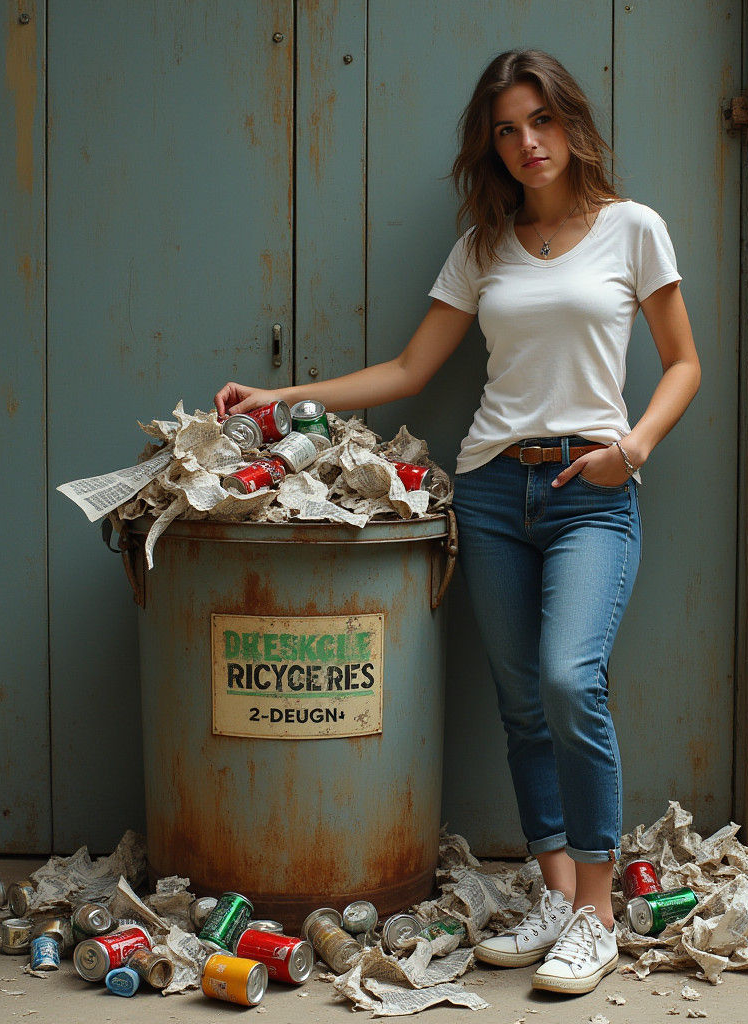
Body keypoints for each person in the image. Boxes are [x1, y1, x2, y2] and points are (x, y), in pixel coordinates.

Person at [215, 49, 699, 996]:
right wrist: (282, 397)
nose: (527, 144)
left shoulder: (633, 228)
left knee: (570, 680)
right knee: (522, 704)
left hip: (590, 488)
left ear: (571, 123)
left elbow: (683, 362)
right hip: (489, 489)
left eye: (541, 121)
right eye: (507, 131)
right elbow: (407, 371)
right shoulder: (483, 247)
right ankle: (556, 893)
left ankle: (598, 915)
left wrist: (633, 449)